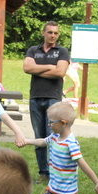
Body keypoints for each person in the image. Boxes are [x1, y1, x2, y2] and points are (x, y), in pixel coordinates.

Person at [23, 21, 70, 182]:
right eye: (50, 32)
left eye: (56, 33)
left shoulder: (62, 51)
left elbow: (60, 72)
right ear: (44, 33)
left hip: (53, 99)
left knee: (53, 137)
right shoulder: (33, 50)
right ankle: (43, 173)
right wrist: (50, 66)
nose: (52, 36)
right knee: (39, 137)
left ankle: (54, 173)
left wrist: (38, 69)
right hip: (35, 98)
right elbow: (27, 68)